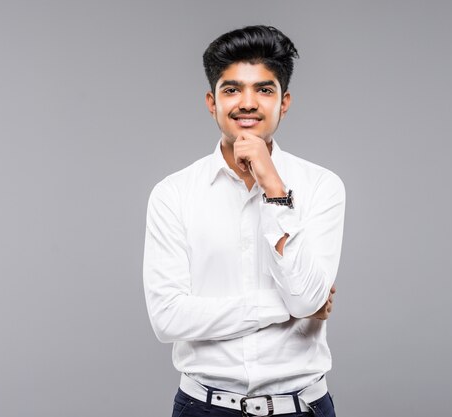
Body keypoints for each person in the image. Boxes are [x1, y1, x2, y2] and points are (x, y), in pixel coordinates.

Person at [143, 25, 345, 417]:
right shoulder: (173, 193)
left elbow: (306, 297)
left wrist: (273, 185)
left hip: (302, 407)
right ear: (211, 101)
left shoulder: (322, 186)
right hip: (204, 407)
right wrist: (284, 310)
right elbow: (168, 318)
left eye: (264, 90)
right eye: (232, 89)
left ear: (284, 102)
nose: (247, 103)